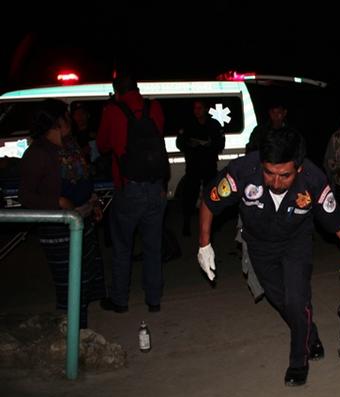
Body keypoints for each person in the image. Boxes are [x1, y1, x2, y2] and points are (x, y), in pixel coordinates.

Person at [196, 127, 340, 387]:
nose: (275, 181)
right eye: (269, 172)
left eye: (284, 175)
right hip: (259, 246)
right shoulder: (243, 171)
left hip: (296, 243)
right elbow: (210, 200)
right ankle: (310, 334)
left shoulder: (314, 179)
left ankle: (298, 361)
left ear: (299, 169)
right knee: (280, 300)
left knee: (297, 300)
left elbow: (336, 221)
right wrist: (204, 245)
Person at [19, 99, 106, 329]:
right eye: (66, 115)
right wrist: (56, 201)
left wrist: (93, 201)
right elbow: (26, 196)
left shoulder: (70, 145)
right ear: (57, 121)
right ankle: (71, 338)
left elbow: (84, 179)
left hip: (82, 223)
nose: (71, 119)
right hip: (59, 230)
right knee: (70, 287)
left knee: (84, 284)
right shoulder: (37, 153)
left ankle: (81, 332)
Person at [96, 72, 167, 313]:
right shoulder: (154, 107)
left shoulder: (113, 111)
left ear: (117, 91)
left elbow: (103, 145)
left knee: (122, 247)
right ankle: (154, 300)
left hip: (128, 189)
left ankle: (120, 300)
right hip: (156, 187)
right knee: (153, 247)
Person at [176, 100, 225, 236]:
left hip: (209, 165)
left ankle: (214, 224)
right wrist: (191, 145)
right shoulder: (188, 125)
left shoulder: (214, 125)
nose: (197, 111)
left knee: (212, 195)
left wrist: (210, 145)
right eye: (195, 108)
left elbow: (220, 144)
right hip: (193, 166)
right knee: (189, 195)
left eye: (199, 108)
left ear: (206, 109)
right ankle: (186, 224)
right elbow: (180, 144)